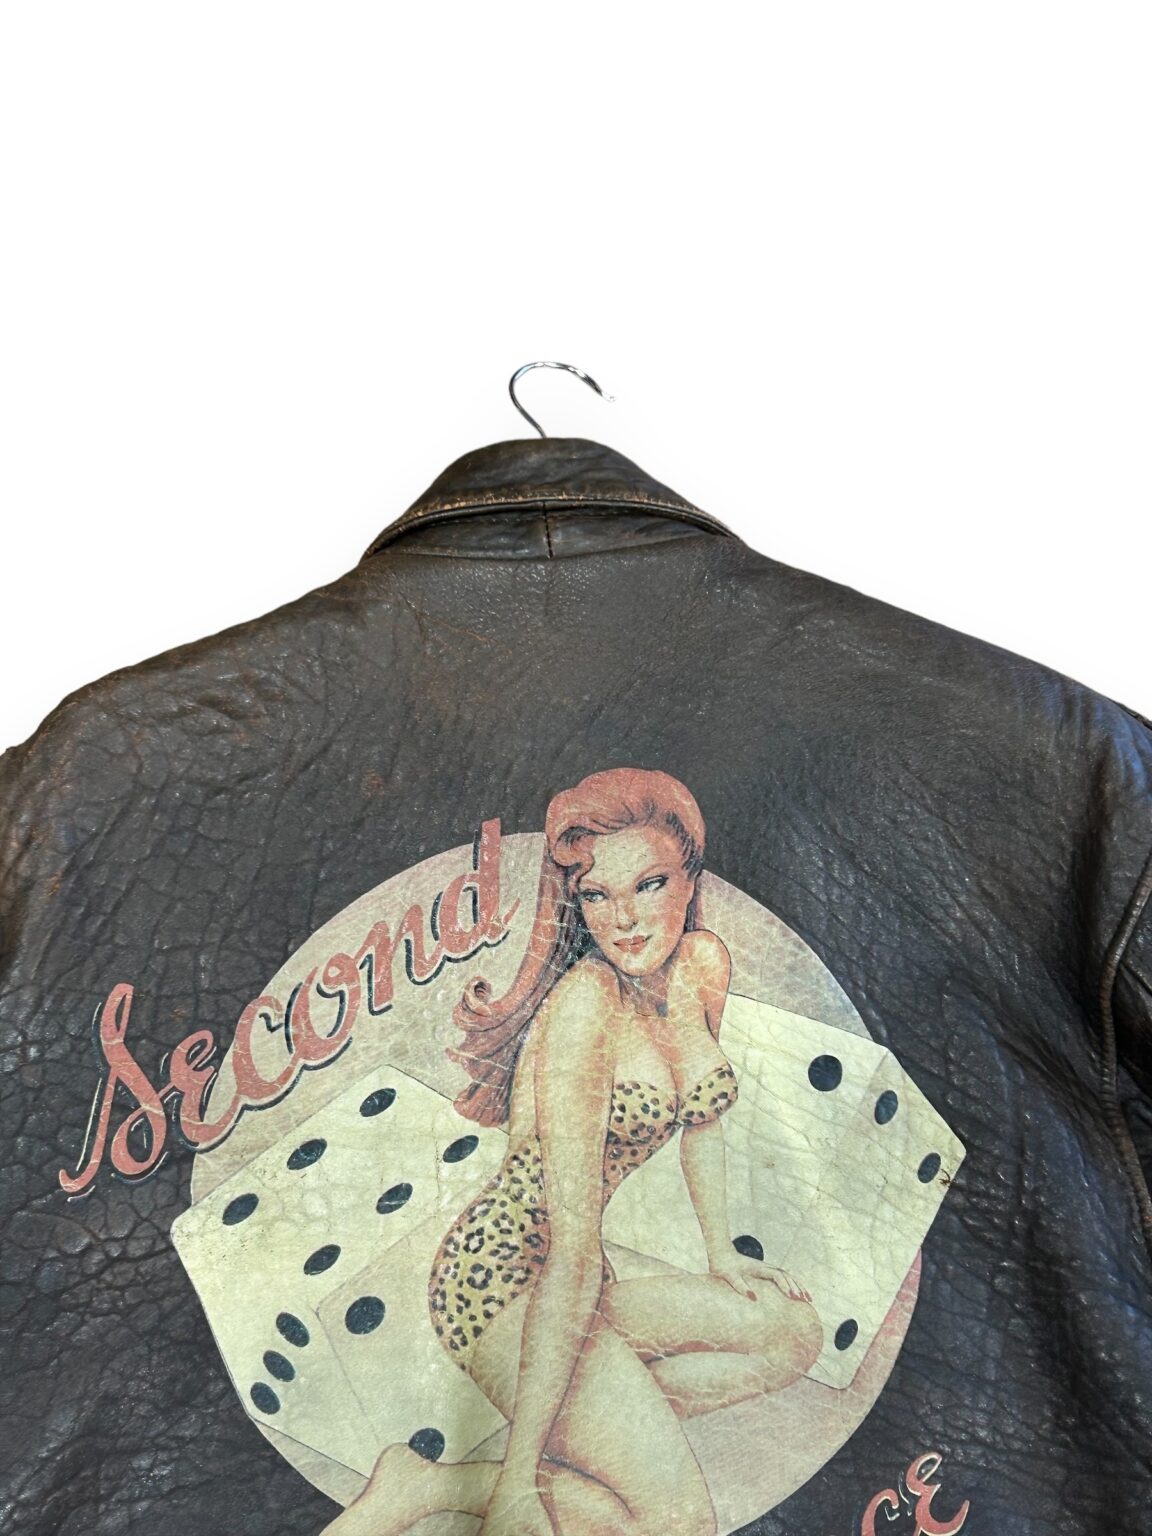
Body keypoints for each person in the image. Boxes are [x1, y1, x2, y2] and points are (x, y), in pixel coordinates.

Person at [321, 766, 824, 1536]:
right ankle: (449, 1483)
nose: (624, 919)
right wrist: (518, 1483)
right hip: (501, 1285)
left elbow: (703, 1117)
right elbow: (573, 1256)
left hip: (581, 1282)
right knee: (677, 1522)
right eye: (597, 895)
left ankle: (499, 1461)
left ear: (691, 879)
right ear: (576, 903)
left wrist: (722, 1252)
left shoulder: (703, 964)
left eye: (649, 884)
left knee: (793, 1334)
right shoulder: (586, 1005)